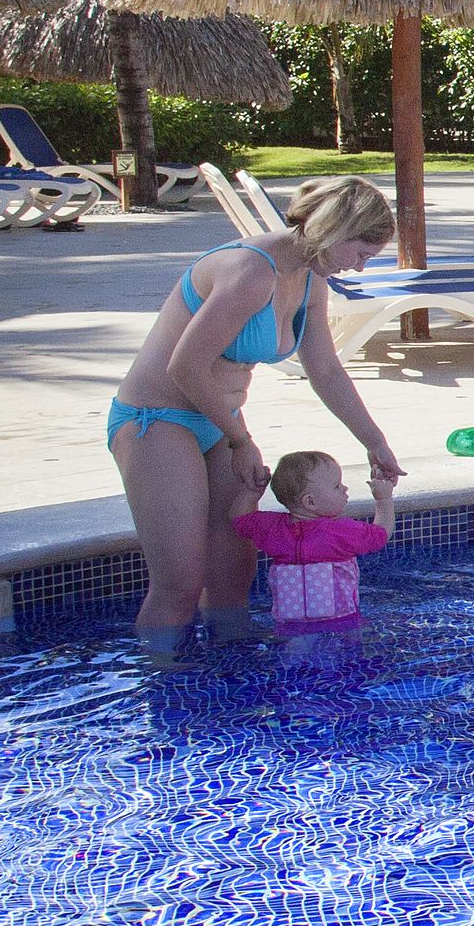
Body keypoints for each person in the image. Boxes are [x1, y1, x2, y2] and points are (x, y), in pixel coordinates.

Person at [107, 175, 404, 655]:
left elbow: (325, 370)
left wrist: (375, 441)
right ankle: (163, 690)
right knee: (180, 580)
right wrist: (241, 439)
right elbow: (183, 366)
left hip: (218, 423)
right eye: (361, 252)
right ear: (331, 229)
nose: (362, 266)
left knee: (232, 573)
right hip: (156, 420)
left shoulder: (310, 277)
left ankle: (231, 678)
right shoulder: (252, 271)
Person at [233, 451, 395, 654]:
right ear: (310, 501)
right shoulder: (339, 532)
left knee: (293, 663)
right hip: (341, 623)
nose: (344, 489)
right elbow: (380, 535)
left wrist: (252, 492)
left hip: (289, 626)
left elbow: (239, 520)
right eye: (337, 486)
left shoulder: (272, 529)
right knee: (346, 661)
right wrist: (384, 499)